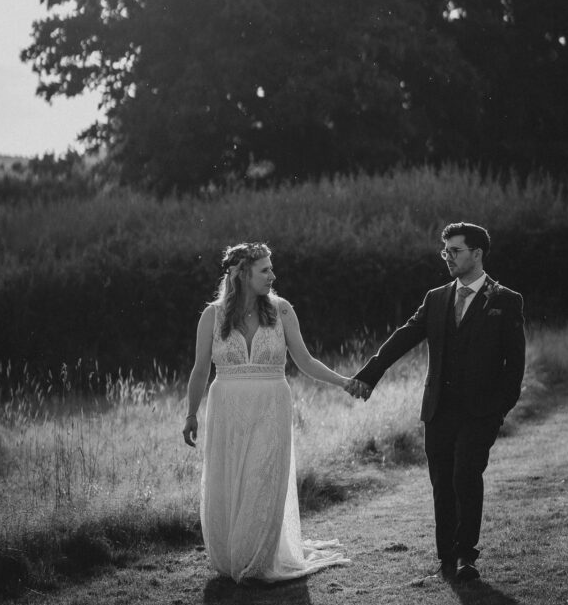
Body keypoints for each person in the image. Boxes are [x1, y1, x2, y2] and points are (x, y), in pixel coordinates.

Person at [346, 222, 525, 583]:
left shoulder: (506, 300)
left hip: (480, 413)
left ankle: (465, 556)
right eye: (445, 252)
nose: (448, 258)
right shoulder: (436, 297)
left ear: (477, 253)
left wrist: (497, 412)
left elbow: (515, 365)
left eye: (455, 251)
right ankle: (446, 557)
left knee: (465, 476)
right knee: (442, 482)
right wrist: (369, 375)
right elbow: (403, 338)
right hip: (438, 409)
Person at [183, 241, 350, 584]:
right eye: (265, 270)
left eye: (271, 268)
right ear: (242, 274)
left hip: (272, 406)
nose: (273, 275)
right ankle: (235, 555)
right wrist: (191, 414)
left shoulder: (282, 310)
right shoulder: (212, 316)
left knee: (262, 477)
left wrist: (343, 381)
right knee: (233, 481)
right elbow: (200, 370)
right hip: (226, 409)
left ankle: (256, 560)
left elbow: (304, 361)